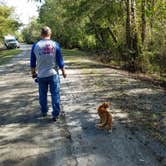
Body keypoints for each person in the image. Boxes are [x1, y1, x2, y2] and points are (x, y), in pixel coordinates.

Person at [30, 26, 67, 121]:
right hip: (53, 74)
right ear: (50, 34)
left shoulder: (36, 45)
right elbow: (60, 60)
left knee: (42, 94)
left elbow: (33, 61)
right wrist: (63, 71)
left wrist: (33, 72)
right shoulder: (55, 44)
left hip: (41, 75)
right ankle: (55, 114)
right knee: (55, 94)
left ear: (41, 34)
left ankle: (44, 111)